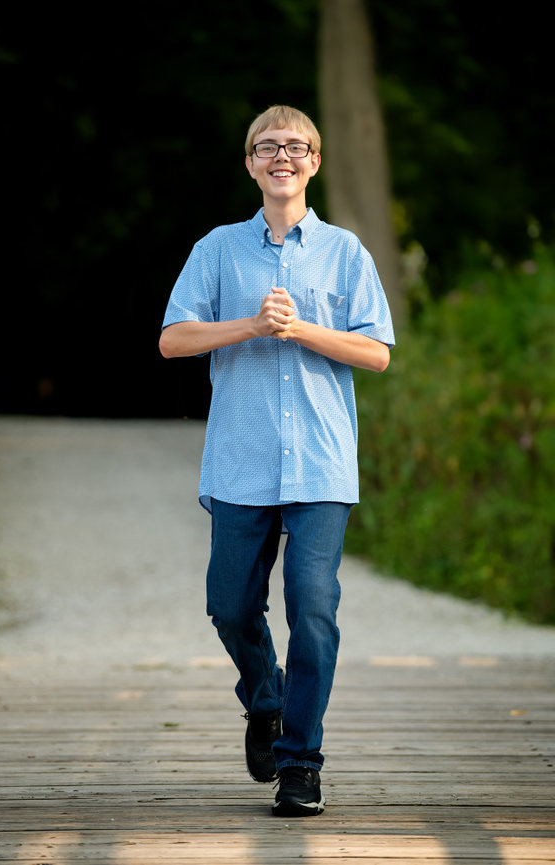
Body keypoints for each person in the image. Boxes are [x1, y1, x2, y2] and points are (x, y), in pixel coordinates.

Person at [159, 105, 395, 817]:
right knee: (228, 604)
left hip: (321, 464)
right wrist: (253, 326)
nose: (282, 156)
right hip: (240, 460)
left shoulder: (347, 253)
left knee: (313, 610)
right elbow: (173, 339)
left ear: (315, 162)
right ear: (251, 164)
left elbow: (377, 352)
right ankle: (265, 699)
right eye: (268, 147)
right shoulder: (218, 249)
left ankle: (301, 763)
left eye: (296, 146)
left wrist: (302, 330)